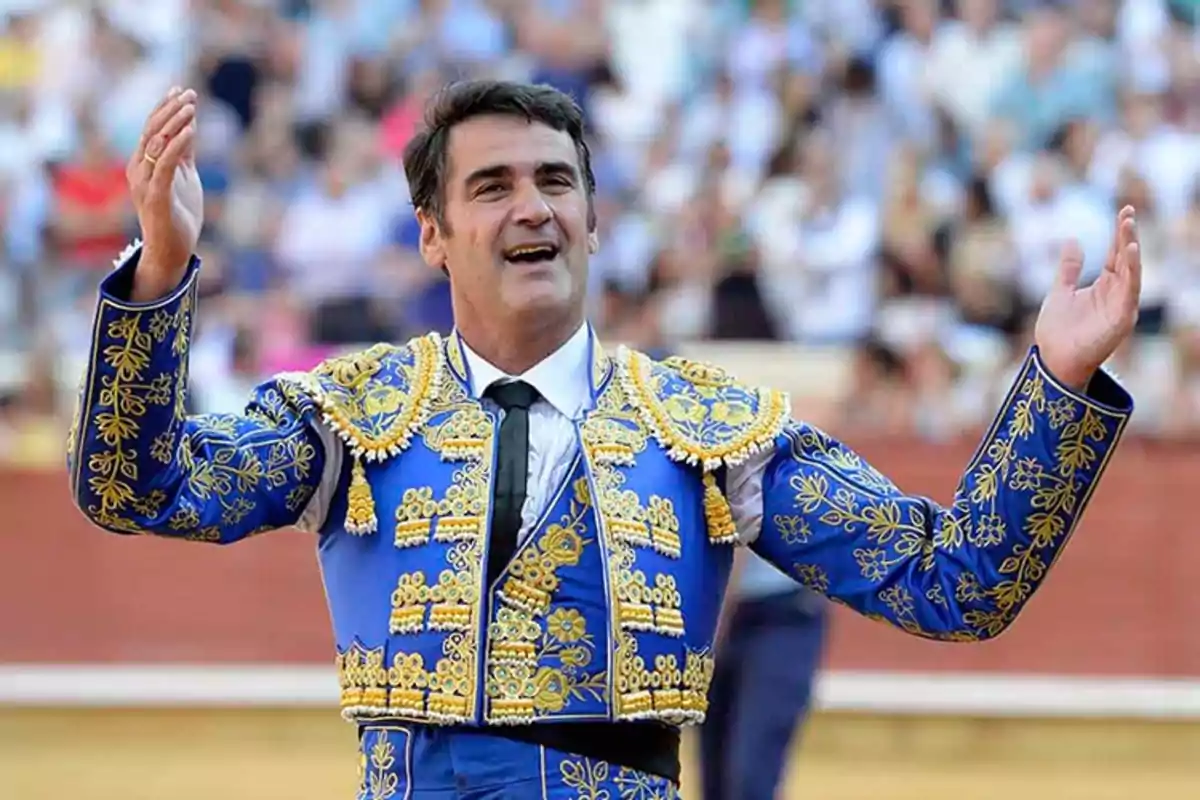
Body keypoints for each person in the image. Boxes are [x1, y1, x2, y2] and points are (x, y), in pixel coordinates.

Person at [68, 81, 1139, 798]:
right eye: (491, 186)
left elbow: (956, 581)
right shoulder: (351, 410)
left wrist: (1059, 379)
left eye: (555, 181)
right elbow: (136, 484)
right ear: (433, 235)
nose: (530, 207)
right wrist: (161, 272)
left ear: (593, 219)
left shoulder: (709, 428)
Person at [702, 553, 827, 800]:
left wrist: (713, 622)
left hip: (781, 615)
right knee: (718, 779)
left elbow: (735, 537)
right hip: (722, 609)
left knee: (750, 778)